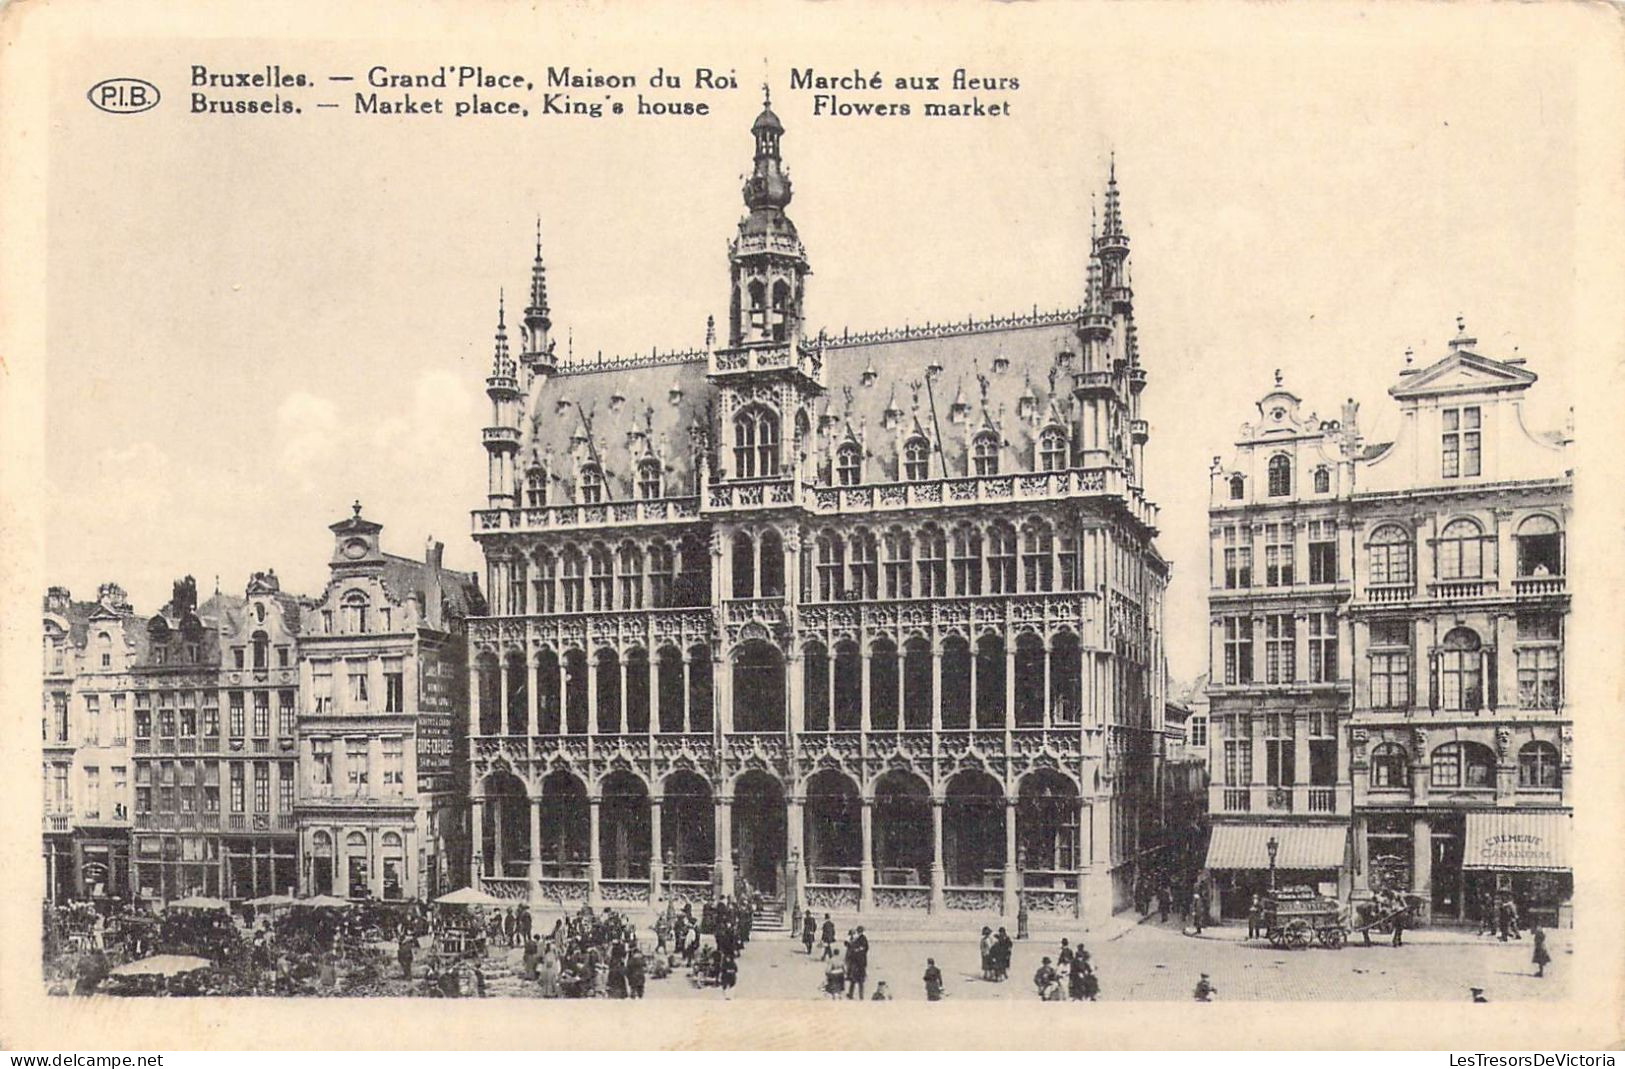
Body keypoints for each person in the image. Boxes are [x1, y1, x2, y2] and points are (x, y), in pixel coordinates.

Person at [846, 925, 870, 1000]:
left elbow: (855, 949)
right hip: (862, 962)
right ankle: (860, 996)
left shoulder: (859, 939)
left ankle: (851, 994)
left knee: (854, 980)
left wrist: (856, 950)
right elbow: (866, 948)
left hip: (857, 963)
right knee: (860, 981)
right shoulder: (863, 939)